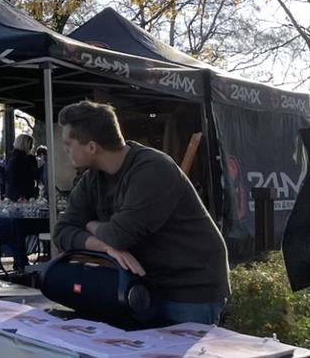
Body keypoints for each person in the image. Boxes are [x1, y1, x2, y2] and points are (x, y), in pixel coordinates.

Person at [52, 101, 230, 326]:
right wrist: (106, 247)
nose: (65, 149)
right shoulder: (92, 179)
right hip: (138, 283)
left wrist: (89, 224)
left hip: (188, 288)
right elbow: (62, 232)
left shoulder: (152, 169)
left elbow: (119, 236)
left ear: (92, 147)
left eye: (69, 143)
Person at [4, 134, 40, 201]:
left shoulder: (10, 157)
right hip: (23, 195)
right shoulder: (24, 159)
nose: (32, 147)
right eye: (30, 144)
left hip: (14, 194)